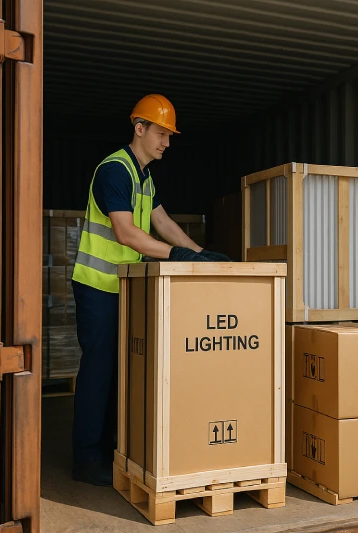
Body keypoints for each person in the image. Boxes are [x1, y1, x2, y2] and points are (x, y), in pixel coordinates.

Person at [70, 94, 230, 486]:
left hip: (122, 289)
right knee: (98, 371)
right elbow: (126, 232)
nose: (166, 143)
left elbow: (163, 222)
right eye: (161, 133)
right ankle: (86, 460)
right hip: (97, 287)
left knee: (116, 371)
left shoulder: (143, 176)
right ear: (139, 128)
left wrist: (201, 253)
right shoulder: (115, 171)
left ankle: (107, 449)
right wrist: (177, 255)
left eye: (169, 136)